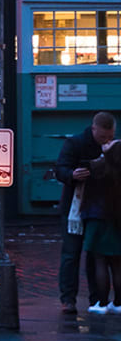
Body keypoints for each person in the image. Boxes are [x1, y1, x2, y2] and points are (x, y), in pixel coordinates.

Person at [58, 111, 117, 314]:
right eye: (103, 137)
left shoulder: (76, 143)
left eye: (109, 137)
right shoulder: (75, 144)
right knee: (74, 255)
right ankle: (72, 299)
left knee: (91, 256)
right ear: (93, 129)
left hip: (93, 210)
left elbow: (61, 169)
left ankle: (92, 299)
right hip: (84, 208)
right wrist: (72, 174)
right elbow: (61, 169)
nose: (106, 142)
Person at [81, 137, 121, 313]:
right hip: (117, 220)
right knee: (117, 264)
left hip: (97, 218)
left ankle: (101, 303)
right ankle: (119, 303)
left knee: (100, 261)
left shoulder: (98, 169)